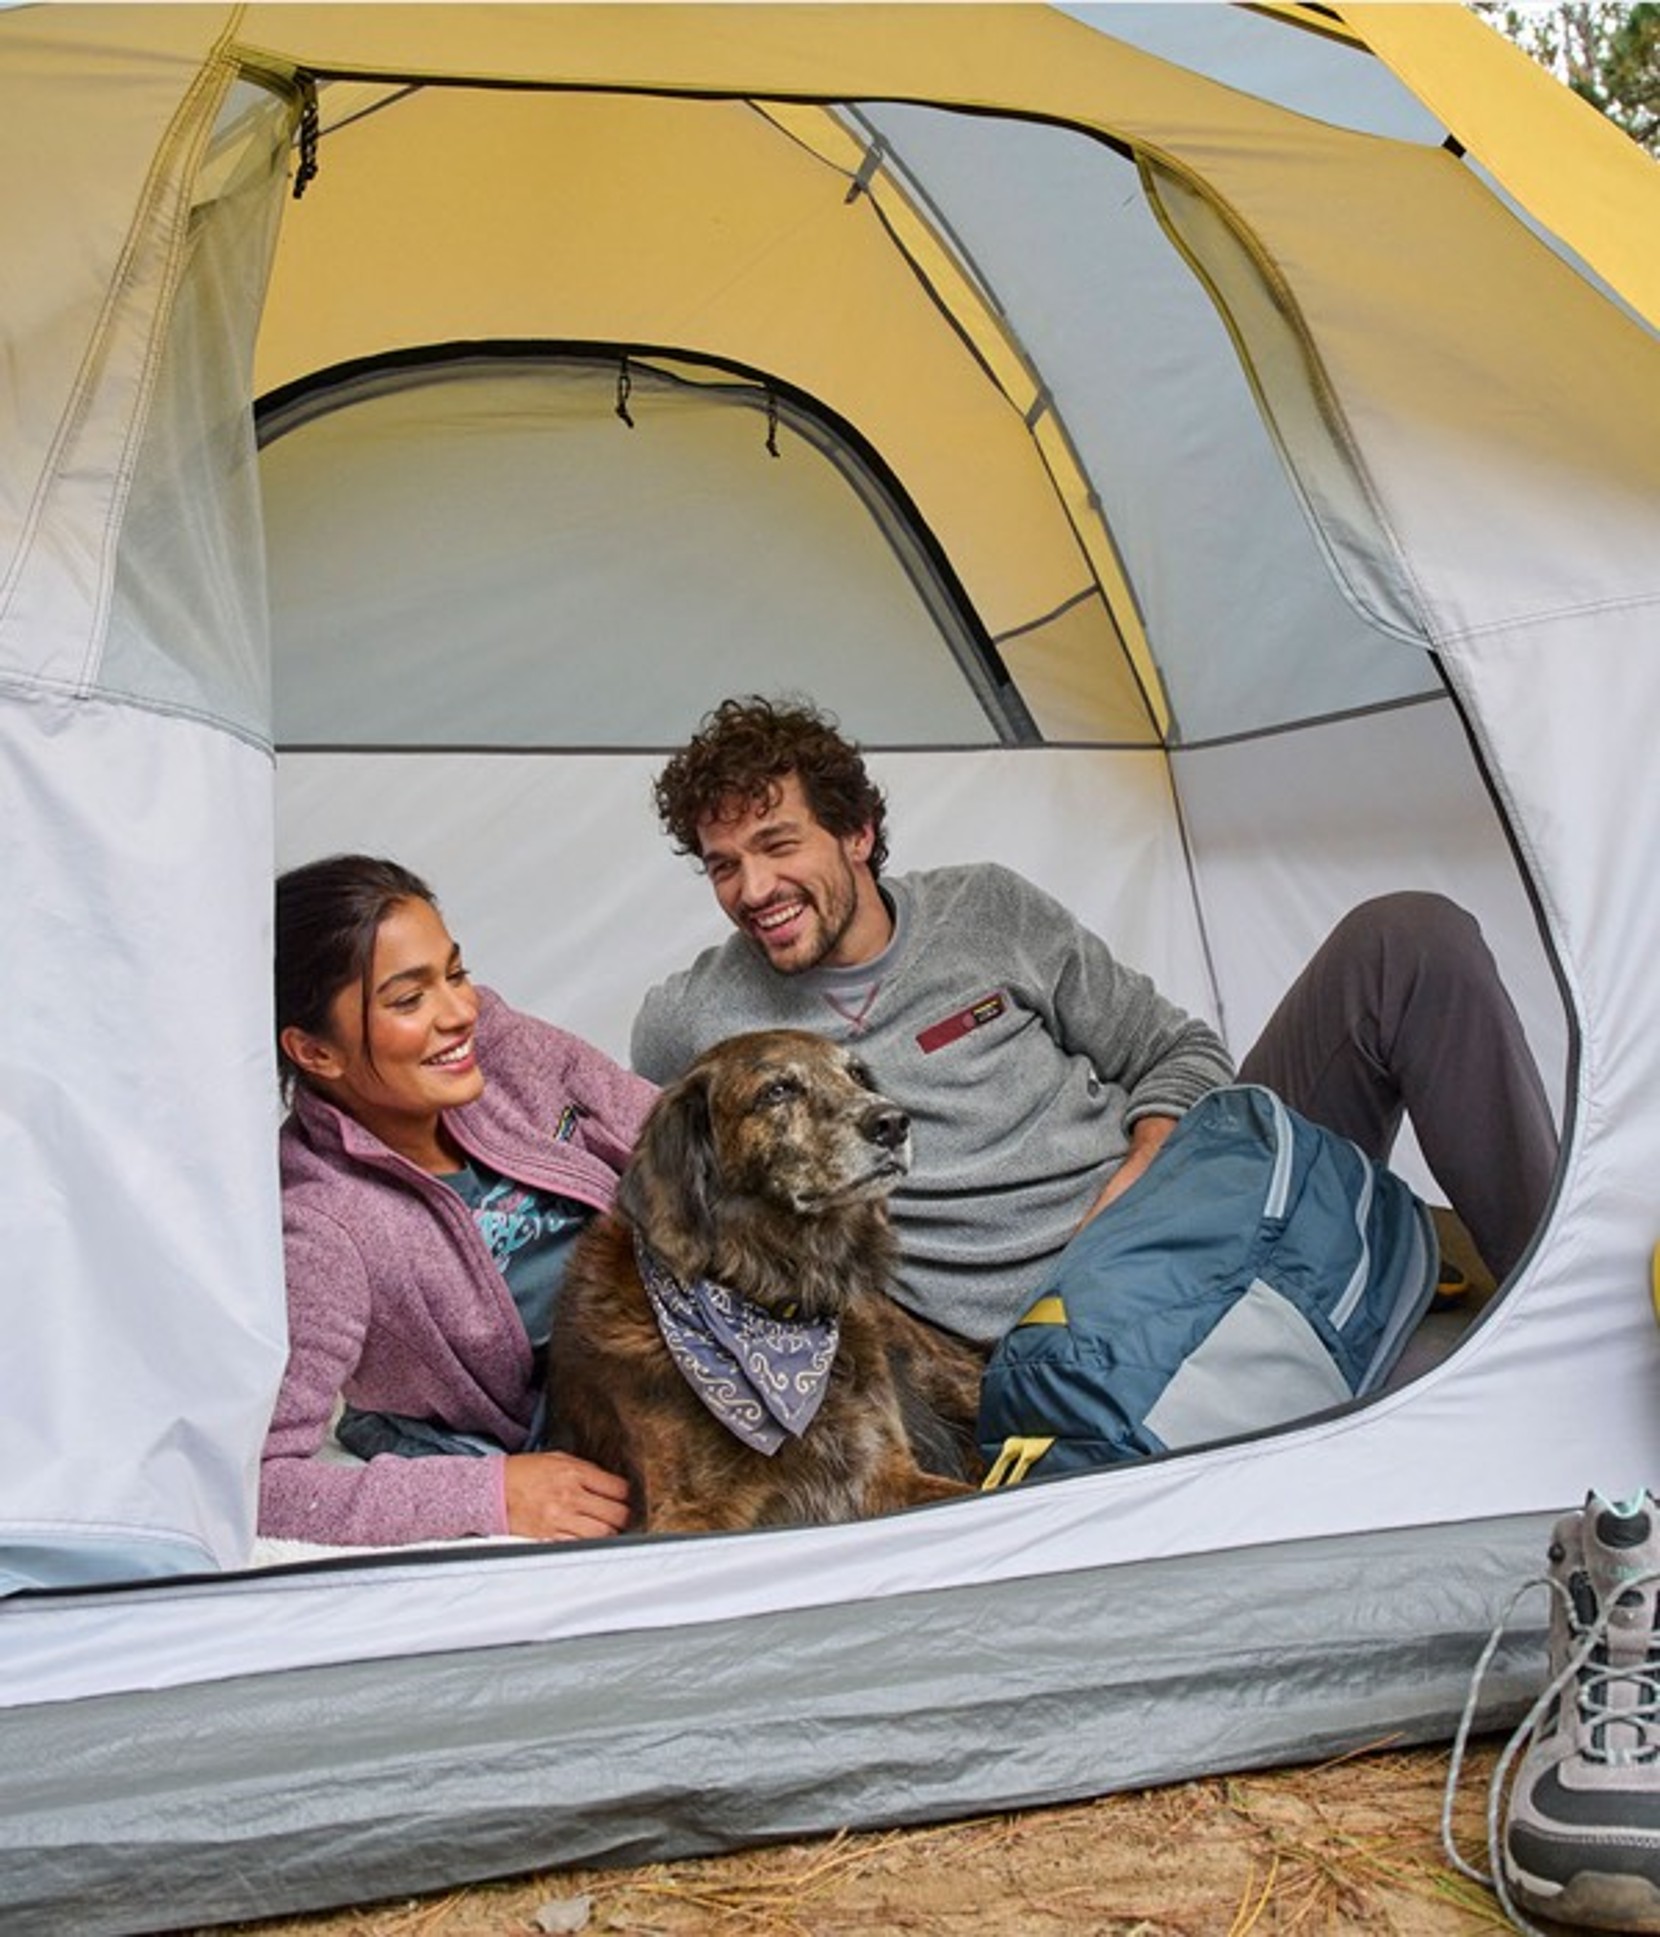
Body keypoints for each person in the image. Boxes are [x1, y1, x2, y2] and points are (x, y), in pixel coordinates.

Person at [631, 696, 1560, 1349]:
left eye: (777, 845)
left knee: (1406, 937)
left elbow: (1179, 1049)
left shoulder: (988, 910)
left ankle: (1556, 1291)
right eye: (721, 865)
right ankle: (1380, 1251)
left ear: (859, 833)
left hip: (1184, 1198)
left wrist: (1148, 1163)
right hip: (1061, 1326)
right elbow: (661, 1189)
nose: (752, 891)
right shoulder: (695, 1023)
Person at [263, 855, 656, 1547]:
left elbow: (668, 1136)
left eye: (455, 973)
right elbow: (264, 1484)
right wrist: (489, 1492)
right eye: (408, 999)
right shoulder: (324, 1228)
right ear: (315, 1052)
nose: (460, 1012)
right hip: (547, 1429)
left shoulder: (501, 1048)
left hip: (674, 1350)